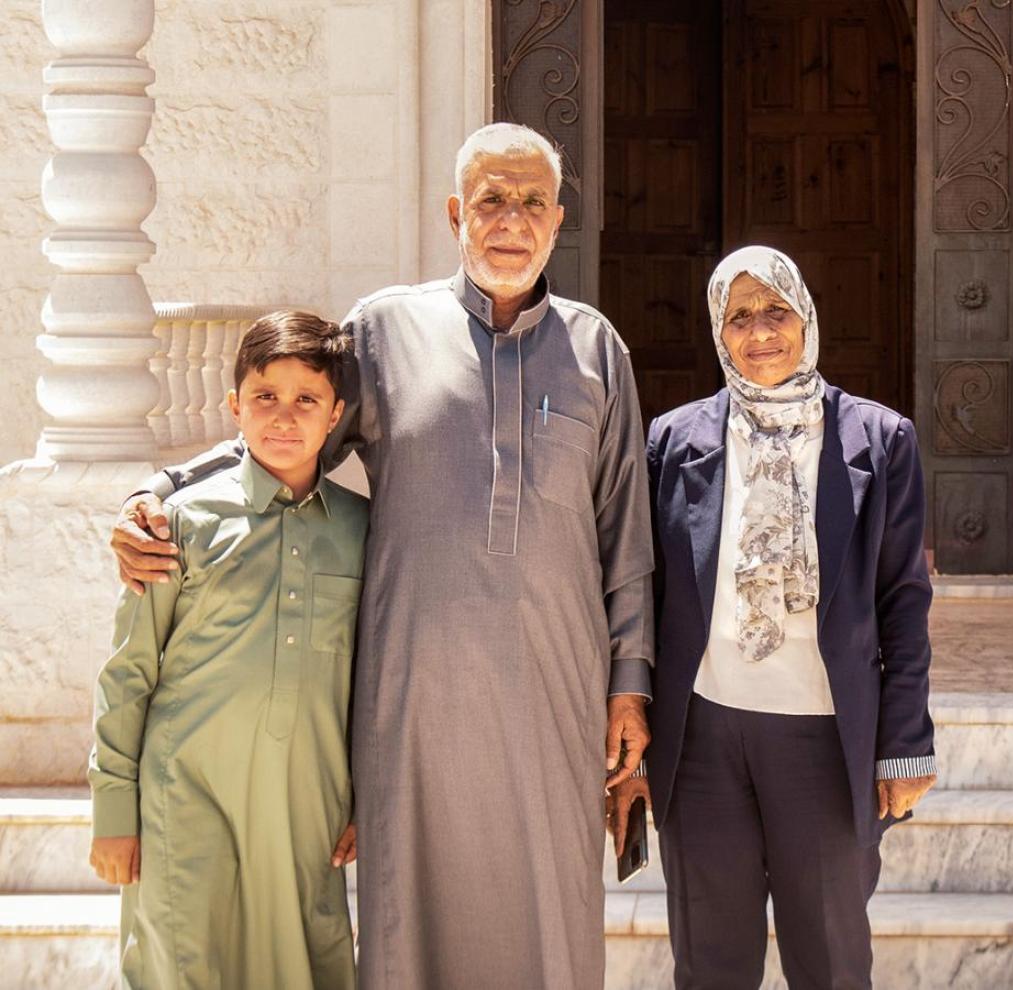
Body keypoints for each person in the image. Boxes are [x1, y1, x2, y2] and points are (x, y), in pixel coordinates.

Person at [107, 123, 654, 988]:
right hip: (410, 687)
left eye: (532, 203)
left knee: (550, 899)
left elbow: (627, 529)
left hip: (554, 682)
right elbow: (289, 436)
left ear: (558, 219)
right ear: (453, 214)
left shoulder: (596, 350)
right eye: (491, 201)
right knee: (410, 903)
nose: (511, 220)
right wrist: (165, 488)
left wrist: (630, 684)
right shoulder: (386, 328)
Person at [643, 246, 937, 988]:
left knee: (831, 960)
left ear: (805, 317)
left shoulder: (880, 440)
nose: (760, 331)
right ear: (719, 331)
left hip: (826, 739)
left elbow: (903, 601)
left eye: (776, 310)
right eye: (740, 316)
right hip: (704, 739)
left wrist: (905, 741)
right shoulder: (674, 442)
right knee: (710, 963)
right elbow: (644, 595)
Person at [88, 312, 365, 989]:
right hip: (184, 799)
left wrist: (366, 797)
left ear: (336, 417)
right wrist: (113, 810)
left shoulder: (364, 532)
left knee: (306, 967)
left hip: (305, 808)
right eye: (265, 396)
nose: (284, 416)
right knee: (183, 962)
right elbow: (128, 673)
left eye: (307, 400)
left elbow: (377, 680)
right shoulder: (178, 523)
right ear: (234, 406)